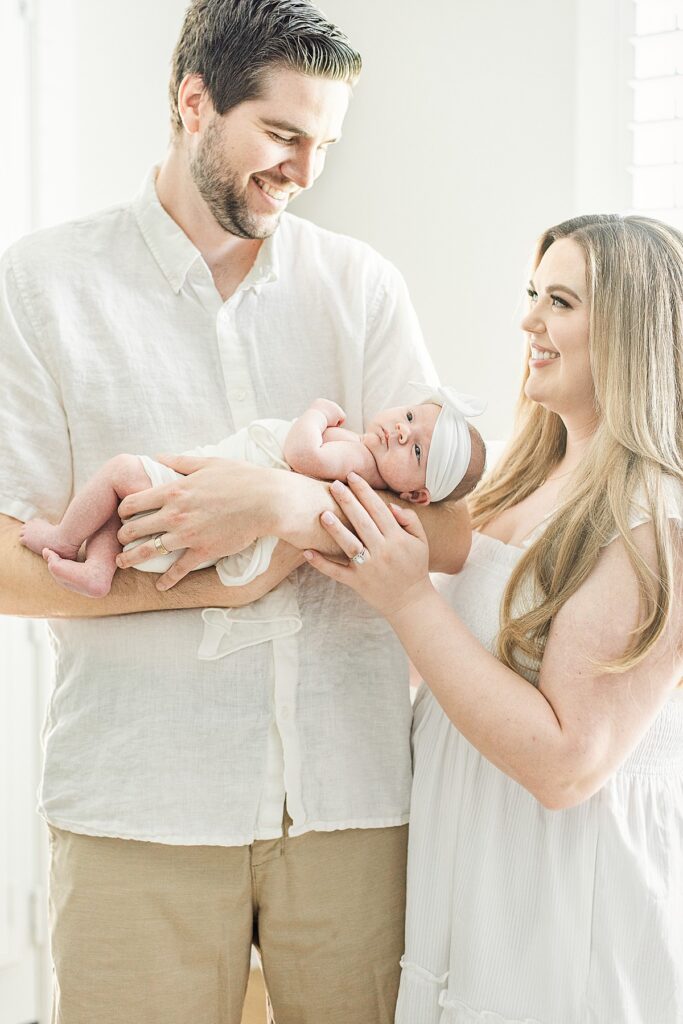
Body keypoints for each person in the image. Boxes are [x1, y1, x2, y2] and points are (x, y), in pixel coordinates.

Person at [0, 2, 471, 1023]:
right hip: (135, 799)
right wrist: (209, 569)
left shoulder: (360, 288)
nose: (305, 172)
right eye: (283, 135)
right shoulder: (44, 286)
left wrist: (282, 503)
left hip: (350, 799)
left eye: (325, 145)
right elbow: (5, 562)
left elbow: (449, 530)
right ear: (193, 103)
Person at [305, 214, 683, 1024]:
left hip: (555, 908)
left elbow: (565, 764)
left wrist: (406, 599)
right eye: (531, 294)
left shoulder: (654, 521)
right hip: (468, 869)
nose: (528, 322)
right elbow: (457, 666)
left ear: (630, 330)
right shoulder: (521, 478)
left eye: (559, 301)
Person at [20, 388, 486, 598]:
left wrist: (317, 414)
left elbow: (302, 456)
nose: (402, 434)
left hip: (202, 505)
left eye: (418, 449)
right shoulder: (370, 474)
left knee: (120, 471)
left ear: (418, 495)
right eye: (408, 417)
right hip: (206, 522)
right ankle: (99, 570)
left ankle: (63, 539)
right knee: (121, 513)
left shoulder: (357, 459)